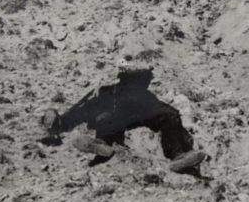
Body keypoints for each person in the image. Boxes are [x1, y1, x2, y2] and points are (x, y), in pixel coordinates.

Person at [41, 68, 205, 173]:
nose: (147, 80)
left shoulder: (141, 95)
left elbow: (167, 113)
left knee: (168, 114)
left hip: (134, 113)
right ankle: (102, 143)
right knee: (109, 116)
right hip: (122, 116)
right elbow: (84, 107)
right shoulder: (112, 92)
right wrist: (62, 122)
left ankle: (178, 155)